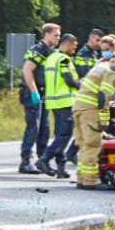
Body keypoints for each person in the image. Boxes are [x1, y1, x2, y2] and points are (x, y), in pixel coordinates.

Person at [72, 47, 115, 190]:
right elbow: (104, 97)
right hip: (90, 110)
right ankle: (90, 181)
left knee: (84, 145)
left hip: (79, 107)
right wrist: (103, 120)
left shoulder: (104, 66)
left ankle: (82, 179)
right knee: (93, 145)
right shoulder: (113, 73)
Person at [19, 22, 60, 173]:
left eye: (59, 35)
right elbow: (27, 70)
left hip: (44, 94)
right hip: (32, 93)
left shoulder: (50, 51)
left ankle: (42, 160)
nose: (58, 38)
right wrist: (34, 91)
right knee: (33, 127)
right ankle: (25, 161)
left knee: (45, 128)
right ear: (47, 34)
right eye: (55, 35)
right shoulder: (38, 49)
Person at [41, 33, 80, 179]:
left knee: (60, 135)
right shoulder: (63, 59)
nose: (74, 50)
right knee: (65, 135)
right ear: (68, 44)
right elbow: (69, 81)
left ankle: (61, 168)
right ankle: (44, 159)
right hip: (65, 102)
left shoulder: (51, 58)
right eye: (74, 47)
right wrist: (82, 84)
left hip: (54, 101)